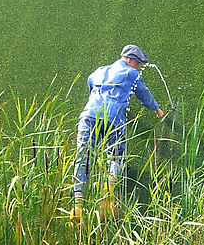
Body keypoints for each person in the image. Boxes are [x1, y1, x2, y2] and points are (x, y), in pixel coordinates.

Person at [70, 45, 165, 225]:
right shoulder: (132, 74)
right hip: (113, 119)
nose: (138, 67)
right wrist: (157, 109)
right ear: (129, 60)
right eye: (138, 63)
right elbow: (143, 94)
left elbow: (91, 86)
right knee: (115, 157)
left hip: (88, 116)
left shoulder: (98, 71)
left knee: (83, 157)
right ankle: (108, 196)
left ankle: (77, 205)